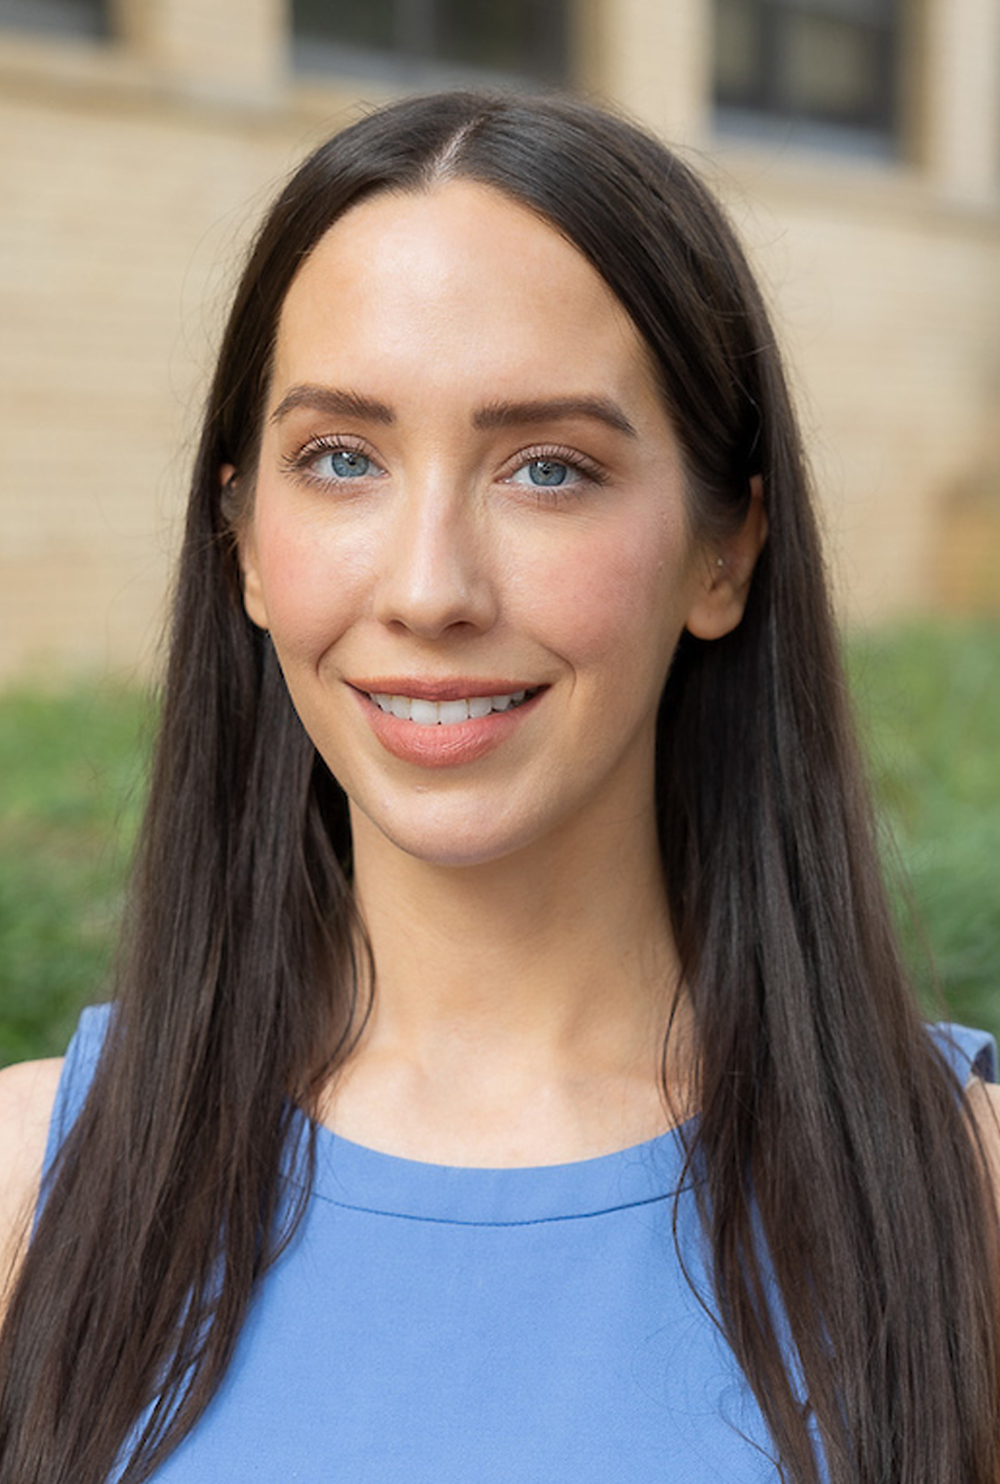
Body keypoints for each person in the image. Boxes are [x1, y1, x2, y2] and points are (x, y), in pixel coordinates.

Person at [0, 90, 998, 1484]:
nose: (429, 589)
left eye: (549, 469)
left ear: (727, 550)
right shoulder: (35, 1194)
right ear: (240, 541)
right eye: (341, 459)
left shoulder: (967, 1208)